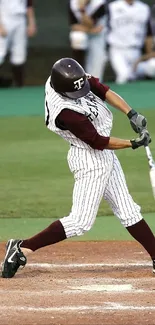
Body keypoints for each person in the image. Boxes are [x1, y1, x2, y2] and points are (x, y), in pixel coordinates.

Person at [2, 57, 155, 279]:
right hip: (90, 159)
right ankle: (21, 248)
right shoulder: (64, 113)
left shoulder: (65, 77)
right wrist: (133, 143)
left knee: (128, 210)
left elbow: (100, 89)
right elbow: (97, 141)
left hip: (104, 156)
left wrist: (131, 113)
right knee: (80, 222)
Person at [107, 0, 153, 84]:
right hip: (118, 49)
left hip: (136, 51)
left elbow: (148, 34)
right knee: (124, 75)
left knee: (152, 66)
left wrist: (146, 56)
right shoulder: (112, 6)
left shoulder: (144, 8)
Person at [0, 0, 37, 87]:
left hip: (21, 19)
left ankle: (19, 85)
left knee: (19, 53)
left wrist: (31, 23)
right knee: (0, 52)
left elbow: (29, 5)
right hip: (4, 18)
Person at [69, 0, 107, 82]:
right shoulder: (72, 3)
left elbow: (90, 23)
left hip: (98, 37)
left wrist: (82, 10)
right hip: (85, 33)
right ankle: (78, 73)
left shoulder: (99, 4)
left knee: (96, 69)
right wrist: (91, 30)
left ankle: (95, 87)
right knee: (77, 37)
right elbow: (74, 26)